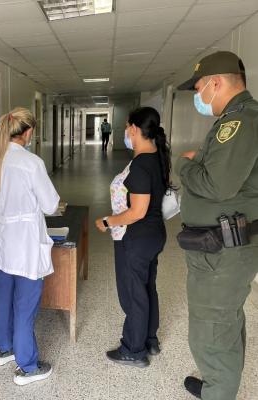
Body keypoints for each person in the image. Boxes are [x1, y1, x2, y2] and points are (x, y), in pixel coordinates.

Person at [175, 51, 258, 400]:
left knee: (211, 331)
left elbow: (216, 185)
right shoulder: (236, 118)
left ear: (216, 83)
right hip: (223, 247)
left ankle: (218, 392)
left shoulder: (239, 122)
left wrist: (184, 165)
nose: (198, 96)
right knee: (224, 322)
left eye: (199, 88)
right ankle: (218, 387)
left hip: (223, 252)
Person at [0, 107, 60, 386]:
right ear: (29, 132)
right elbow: (50, 205)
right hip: (24, 244)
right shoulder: (31, 162)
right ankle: (28, 366)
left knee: (1, 298)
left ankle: (4, 350)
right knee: (24, 306)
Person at [95, 107, 171, 368]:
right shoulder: (157, 157)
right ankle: (150, 339)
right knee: (147, 287)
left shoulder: (140, 165)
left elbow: (137, 212)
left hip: (136, 238)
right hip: (154, 234)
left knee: (133, 293)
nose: (125, 132)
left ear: (135, 129)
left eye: (127, 126)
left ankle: (133, 349)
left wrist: (107, 221)